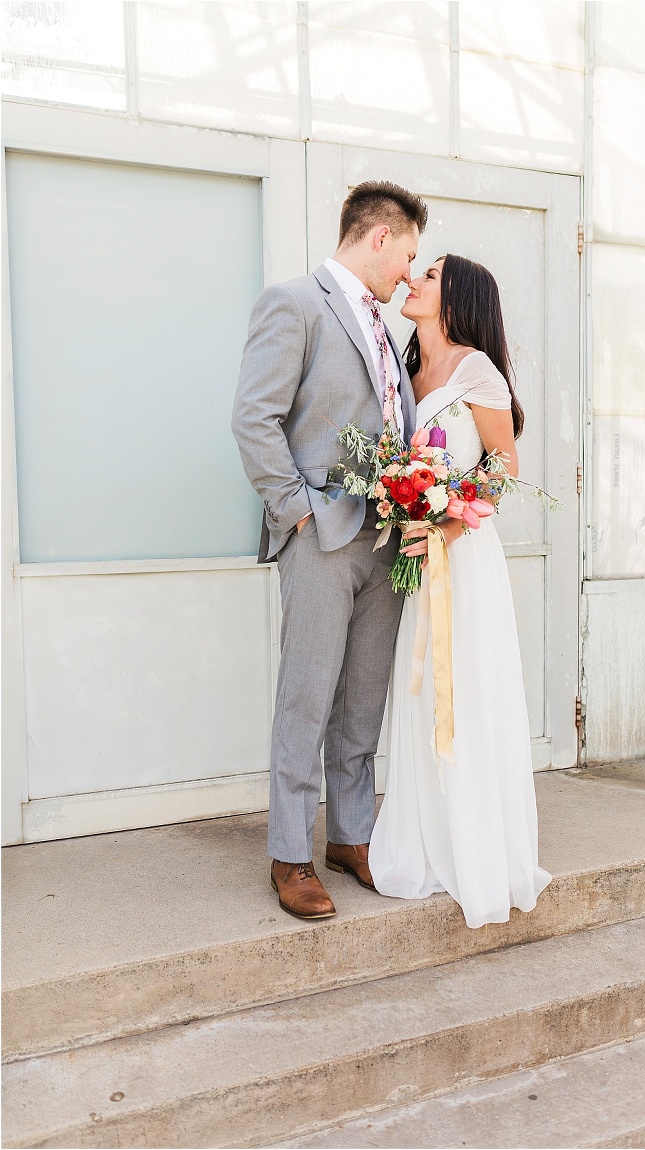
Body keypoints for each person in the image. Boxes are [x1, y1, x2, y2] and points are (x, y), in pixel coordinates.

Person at [232, 181, 427, 920]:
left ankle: (352, 835)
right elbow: (255, 418)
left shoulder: (383, 328)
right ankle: (290, 853)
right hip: (322, 538)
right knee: (307, 698)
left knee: (363, 700)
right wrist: (298, 515)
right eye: (408, 255)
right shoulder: (296, 303)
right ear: (379, 239)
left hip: (386, 544)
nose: (411, 272)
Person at [368, 254, 552, 929]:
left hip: (465, 559)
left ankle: (476, 847)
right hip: (419, 558)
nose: (414, 278)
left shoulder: (478, 368)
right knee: (419, 696)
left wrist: (447, 520)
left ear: (459, 297)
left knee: (464, 691)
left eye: (432, 273)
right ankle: (425, 836)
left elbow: (503, 467)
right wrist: (404, 504)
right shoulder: (408, 371)